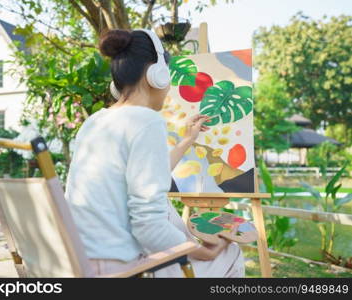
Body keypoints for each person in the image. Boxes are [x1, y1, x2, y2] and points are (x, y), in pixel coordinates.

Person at [64, 29, 245, 277]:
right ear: (156, 74)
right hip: (128, 269)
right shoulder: (146, 121)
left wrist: (187, 141)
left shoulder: (94, 122)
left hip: (85, 262)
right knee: (231, 253)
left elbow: (146, 176)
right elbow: (148, 226)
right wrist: (201, 251)